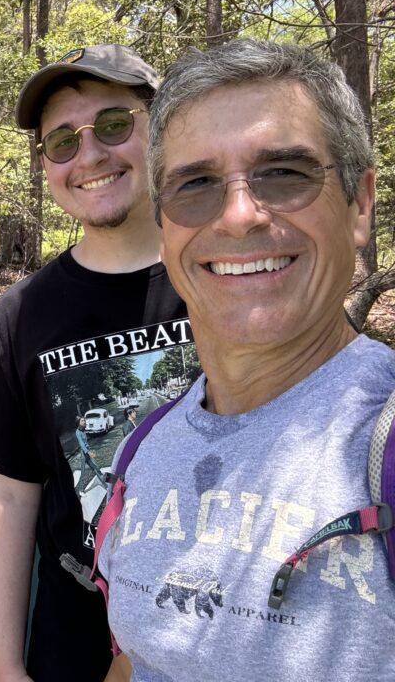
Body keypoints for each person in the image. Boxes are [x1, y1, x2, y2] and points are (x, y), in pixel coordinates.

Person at [100, 39, 395, 681]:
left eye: (284, 173)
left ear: (361, 204)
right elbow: (137, 659)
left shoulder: (384, 443)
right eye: (196, 184)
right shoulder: (145, 451)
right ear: (166, 227)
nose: (238, 215)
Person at [0, 44, 196, 681]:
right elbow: (9, 497)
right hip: (75, 644)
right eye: (62, 142)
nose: (89, 155)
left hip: (220, 635)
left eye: (114, 126)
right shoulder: (22, 314)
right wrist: (9, 671)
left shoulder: (224, 275)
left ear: (161, 127)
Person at [75, 417, 108, 490]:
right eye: (82, 420)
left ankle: (107, 485)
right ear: (78, 422)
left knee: (96, 469)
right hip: (84, 454)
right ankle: (81, 490)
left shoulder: (83, 430)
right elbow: (81, 444)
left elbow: (85, 443)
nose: (84, 421)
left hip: (87, 451)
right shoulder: (77, 432)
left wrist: (89, 449)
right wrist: (88, 452)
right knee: (83, 473)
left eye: (84, 420)